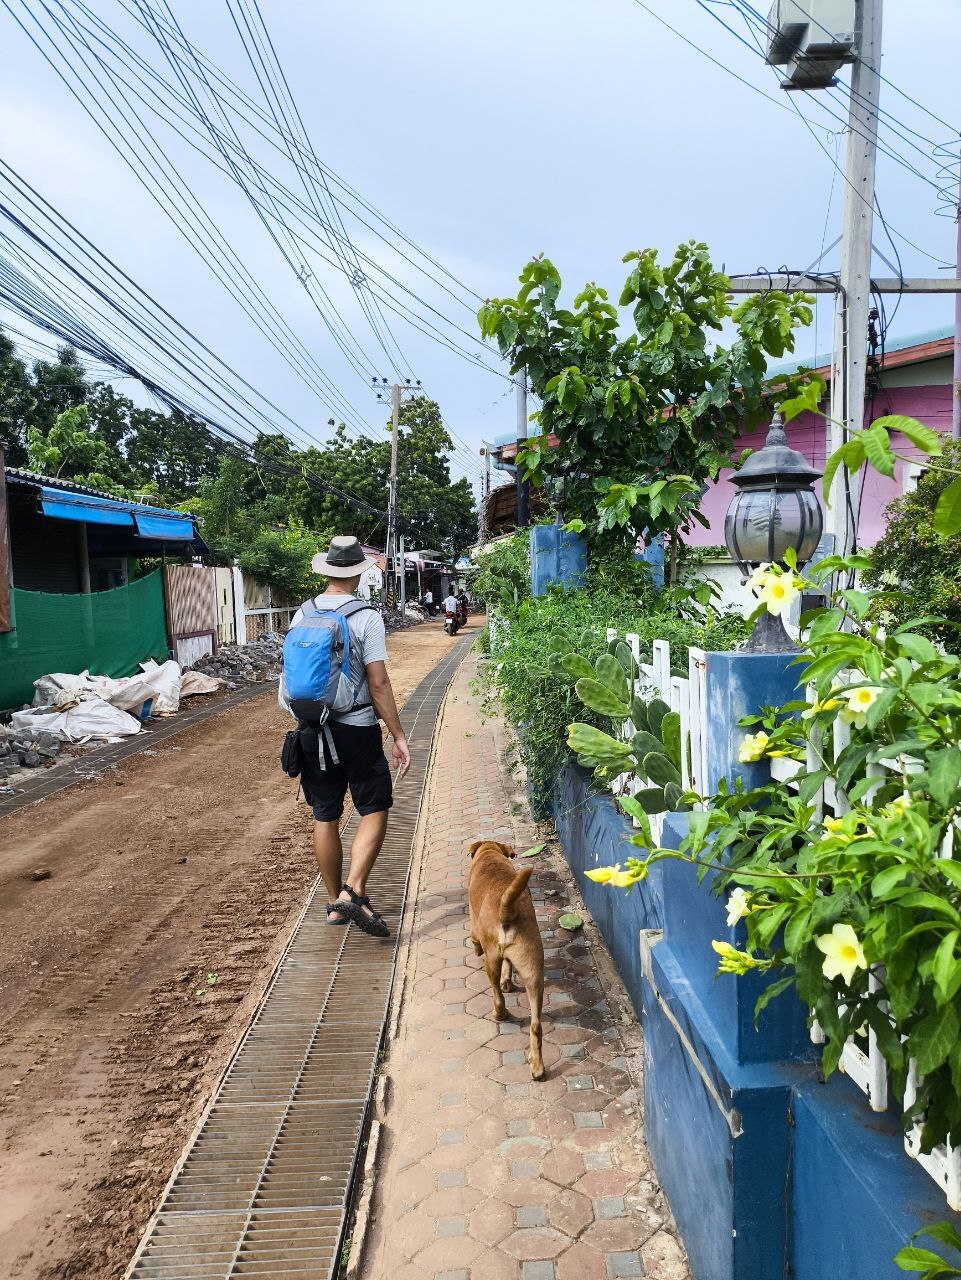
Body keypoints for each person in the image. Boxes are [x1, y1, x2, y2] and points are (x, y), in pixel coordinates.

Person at [280, 536, 410, 938]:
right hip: (355, 728)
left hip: (311, 729)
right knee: (374, 806)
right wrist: (398, 734)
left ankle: (336, 904)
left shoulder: (302, 614)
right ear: (358, 571)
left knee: (325, 814)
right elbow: (379, 682)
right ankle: (353, 891)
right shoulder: (366, 616)